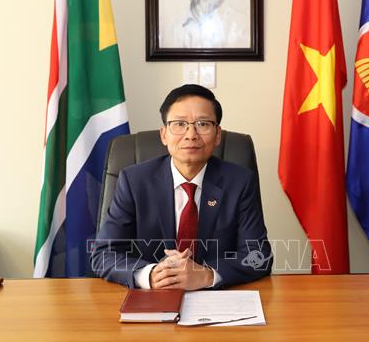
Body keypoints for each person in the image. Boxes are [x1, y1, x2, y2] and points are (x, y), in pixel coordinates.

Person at [92, 84, 272, 290]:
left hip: (217, 298)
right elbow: (103, 254)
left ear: (217, 135)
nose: (191, 134)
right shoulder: (134, 181)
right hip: (152, 297)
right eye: (179, 124)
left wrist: (207, 275)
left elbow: (259, 256)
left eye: (202, 124)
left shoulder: (240, 182)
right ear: (164, 135)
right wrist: (150, 274)